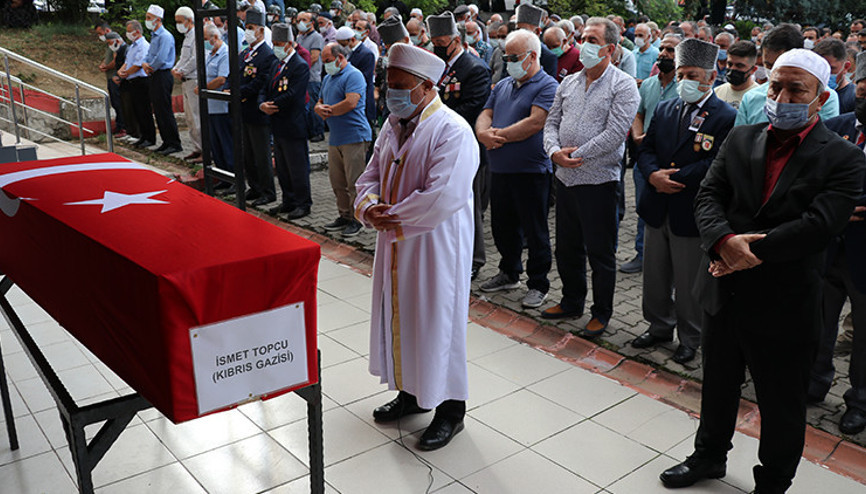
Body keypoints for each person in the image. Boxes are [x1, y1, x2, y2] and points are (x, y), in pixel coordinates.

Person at [661, 49, 866, 494]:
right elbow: (709, 196)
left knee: (781, 402)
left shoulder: (844, 157)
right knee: (717, 385)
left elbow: (819, 226)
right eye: (776, 86)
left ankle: (773, 480)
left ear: (820, 96)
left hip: (785, 301)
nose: (782, 96)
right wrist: (722, 242)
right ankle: (709, 456)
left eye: (796, 89)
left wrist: (745, 250)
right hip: (725, 289)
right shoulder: (741, 137)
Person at [354, 42, 478, 452]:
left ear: (426, 86)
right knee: (401, 317)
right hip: (394, 241)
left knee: (436, 322)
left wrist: (392, 218)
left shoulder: (453, 131)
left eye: (401, 86)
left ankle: (450, 410)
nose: (392, 93)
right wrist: (368, 207)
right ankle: (411, 395)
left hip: (433, 247)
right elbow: (369, 175)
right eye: (389, 85)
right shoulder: (392, 124)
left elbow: (442, 194)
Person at [632, 38, 736, 365]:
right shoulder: (666, 107)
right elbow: (646, 149)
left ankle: (690, 337)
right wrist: (652, 176)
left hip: (689, 208)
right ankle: (659, 326)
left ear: (709, 77)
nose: (684, 81)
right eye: (680, 74)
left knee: (690, 280)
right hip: (657, 204)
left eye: (691, 75)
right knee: (655, 275)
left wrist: (674, 178)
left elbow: (718, 163)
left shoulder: (724, 115)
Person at [541, 17, 640, 336]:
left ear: (610, 48)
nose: (585, 45)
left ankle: (602, 312)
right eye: (583, 38)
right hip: (565, 179)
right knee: (567, 247)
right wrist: (554, 151)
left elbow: (615, 134)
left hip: (599, 182)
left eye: (593, 40)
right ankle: (572, 300)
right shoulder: (568, 81)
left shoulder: (622, 84)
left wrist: (576, 154)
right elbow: (551, 122)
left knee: (600, 251)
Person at [476, 30, 558, 309]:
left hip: (531, 171)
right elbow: (485, 113)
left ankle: (538, 284)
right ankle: (509, 272)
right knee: (502, 226)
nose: (508, 61)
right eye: (506, 56)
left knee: (535, 231)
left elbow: (536, 122)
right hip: (501, 169)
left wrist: (497, 137)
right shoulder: (504, 84)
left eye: (513, 57)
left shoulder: (547, 85)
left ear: (532, 56)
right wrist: (482, 133)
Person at [808, 52, 866, 436]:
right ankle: (815, 382)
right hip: (829, 246)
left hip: (865, 255)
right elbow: (814, 178)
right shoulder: (838, 125)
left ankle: (859, 401)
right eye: (862, 90)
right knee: (819, 321)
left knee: (863, 334)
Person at [429, 11, 492, 280]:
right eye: (435, 44)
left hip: (465, 145)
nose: (438, 48)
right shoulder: (436, 65)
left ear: (456, 40)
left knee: (470, 203)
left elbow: (472, 108)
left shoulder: (474, 69)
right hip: (439, 144)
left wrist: (435, 117)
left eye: (442, 44)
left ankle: (475, 258)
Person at [621, 33, 682, 275]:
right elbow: (638, 114)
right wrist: (637, 136)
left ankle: (669, 259)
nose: (664, 54)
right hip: (645, 159)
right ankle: (642, 253)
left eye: (671, 50)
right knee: (644, 208)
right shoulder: (648, 84)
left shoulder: (684, 86)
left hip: (673, 160)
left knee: (671, 211)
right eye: (663, 49)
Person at [316, 42, 371, 237]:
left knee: (354, 182)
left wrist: (327, 112)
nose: (326, 65)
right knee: (337, 182)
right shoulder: (328, 78)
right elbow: (320, 101)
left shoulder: (353, 75)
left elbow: (351, 102)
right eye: (323, 62)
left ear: (340, 58)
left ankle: (358, 219)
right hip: (336, 138)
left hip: (354, 136)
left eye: (328, 60)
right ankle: (344, 215)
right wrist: (318, 108)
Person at [736, 24, 840, 126]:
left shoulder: (823, 98)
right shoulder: (751, 98)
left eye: (796, 90)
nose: (780, 100)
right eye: (768, 65)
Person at [260, 24, 312, 219]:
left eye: (279, 44)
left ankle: (303, 203)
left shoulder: (299, 65)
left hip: (293, 124)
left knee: (297, 167)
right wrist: (261, 104)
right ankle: (288, 200)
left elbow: (293, 95)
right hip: (277, 123)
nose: (276, 47)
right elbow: (265, 87)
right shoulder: (275, 63)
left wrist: (270, 104)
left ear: (290, 44)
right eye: (273, 43)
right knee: (282, 167)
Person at [239, 9, 278, 206]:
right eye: (246, 28)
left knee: (261, 155)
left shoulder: (267, 55)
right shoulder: (246, 52)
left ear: (261, 31)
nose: (248, 32)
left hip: (257, 110)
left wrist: (240, 92)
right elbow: (236, 73)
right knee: (248, 154)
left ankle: (267, 191)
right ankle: (254, 187)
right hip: (243, 111)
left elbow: (261, 82)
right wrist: (231, 87)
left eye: (251, 28)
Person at [141, 5, 183, 155]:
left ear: (158, 20)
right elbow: (149, 54)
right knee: (158, 110)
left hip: (162, 74)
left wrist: (150, 66)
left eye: (149, 18)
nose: (147, 21)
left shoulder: (165, 36)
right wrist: (145, 64)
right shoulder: (154, 36)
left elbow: (161, 57)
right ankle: (166, 141)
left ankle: (174, 142)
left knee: (165, 110)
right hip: (154, 74)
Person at [200, 23, 234, 174]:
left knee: (226, 143)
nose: (205, 41)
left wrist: (204, 88)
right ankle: (221, 175)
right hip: (210, 105)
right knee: (215, 144)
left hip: (221, 107)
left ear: (215, 37)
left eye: (206, 38)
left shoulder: (225, 53)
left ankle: (231, 174)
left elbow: (221, 79)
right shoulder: (211, 53)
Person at [117, 20, 156, 148]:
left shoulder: (143, 46)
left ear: (137, 32)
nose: (127, 34)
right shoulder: (132, 46)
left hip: (141, 81)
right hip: (132, 81)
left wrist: (126, 73)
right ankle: (142, 136)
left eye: (129, 31)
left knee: (144, 110)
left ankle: (149, 137)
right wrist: (121, 71)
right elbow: (128, 62)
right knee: (137, 111)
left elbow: (138, 65)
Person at [172, 6, 202, 163]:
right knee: (189, 118)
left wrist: (181, 70)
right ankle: (196, 148)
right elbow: (184, 57)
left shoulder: (197, 35)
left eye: (180, 22)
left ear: (189, 21)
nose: (178, 25)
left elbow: (195, 59)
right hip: (185, 80)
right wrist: (176, 68)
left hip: (193, 79)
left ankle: (204, 150)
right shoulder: (187, 37)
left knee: (197, 117)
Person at [337, 25, 376, 136]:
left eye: (343, 44)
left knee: (368, 132)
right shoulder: (350, 53)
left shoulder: (366, 54)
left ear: (352, 40)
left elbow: (364, 78)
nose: (341, 47)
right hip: (350, 95)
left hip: (362, 98)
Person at [296, 11, 326, 142]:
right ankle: (309, 131)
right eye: (298, 20)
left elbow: (313, 57)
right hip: (302, 77)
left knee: (314, 106)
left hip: (312, 77)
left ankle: (318, 132)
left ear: (311, 23)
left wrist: (300, 69)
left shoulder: (317, 37)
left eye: (304, 20)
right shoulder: (299, 37)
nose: (300, 23)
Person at [98, 29, 128, 139]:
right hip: (113, 77)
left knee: (120, 103)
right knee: (115, 103)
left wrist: (107, 67)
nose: (110, 45)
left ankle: (124, 127)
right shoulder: (116, 48)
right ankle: (120, 125)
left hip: (119, 79)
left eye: (110, 43)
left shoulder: (123, 49)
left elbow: (116, 63)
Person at [814, 38, 857, 114]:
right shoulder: (811, 94)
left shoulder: (854, 97)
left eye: (831, 69)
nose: (825, 73)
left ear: (846, 67)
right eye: (819, 68)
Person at [713, 40, 758, 110]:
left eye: (739, 65)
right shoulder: (716, 93)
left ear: (753, 70)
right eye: (730, 64)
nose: (732, 69)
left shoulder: (760, 97)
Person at [515, 4, 557, 79]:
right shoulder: (511, 53)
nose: (520, 34)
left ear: (537, 32)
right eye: (517, 30)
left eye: (524, 31)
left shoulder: (548, 57)